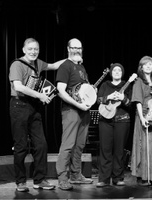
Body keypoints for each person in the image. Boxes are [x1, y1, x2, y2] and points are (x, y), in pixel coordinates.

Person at [9, 37, 66, 192]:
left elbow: (54, 66)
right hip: (19, 105)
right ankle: (20, 182)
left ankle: (39, 180)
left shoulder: (38, 63)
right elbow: (18, 87)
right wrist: (40, 95)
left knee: (41, 144)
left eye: (36, 49)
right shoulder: (17, 64)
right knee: (21, 146)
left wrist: (70, 57)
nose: (33, 52)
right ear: (23, 50)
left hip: (33, 107)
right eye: (30, 49)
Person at [55, 38, 94, 190]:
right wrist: (78, 104)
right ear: (68, 49)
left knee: (80, 145)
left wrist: (92, 92)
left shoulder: (82, 67)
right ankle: (62, 178)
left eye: (79, 47)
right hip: (71, 110)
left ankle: (76, 174)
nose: (77, 50)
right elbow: (60, 91)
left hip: (84, 110)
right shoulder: (65, 66)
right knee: (68, 145)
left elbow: (84, 89)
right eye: (74, 47)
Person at [130, 56, 152, 186]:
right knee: (143, 146)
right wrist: (142, 118)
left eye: (150, 64)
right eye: (145, 64)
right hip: (144, 115)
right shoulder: (139, 81)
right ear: (141, 67)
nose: (148, 66)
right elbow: (138, 101)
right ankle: (143, 177)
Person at [96, 63, 132, 187]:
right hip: (105, 120)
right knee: (105, 149)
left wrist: (123, 98)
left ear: (122, 73)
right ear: (111, 72)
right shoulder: (105, 85)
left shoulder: (127, 85)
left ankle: (118, 177)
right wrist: (108, 97)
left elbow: (131, 104)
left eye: (119, 70)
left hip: (122, 120)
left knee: (119, 150)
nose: (117, 72)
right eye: (115, 70)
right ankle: (104, 179)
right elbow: (98, 99)